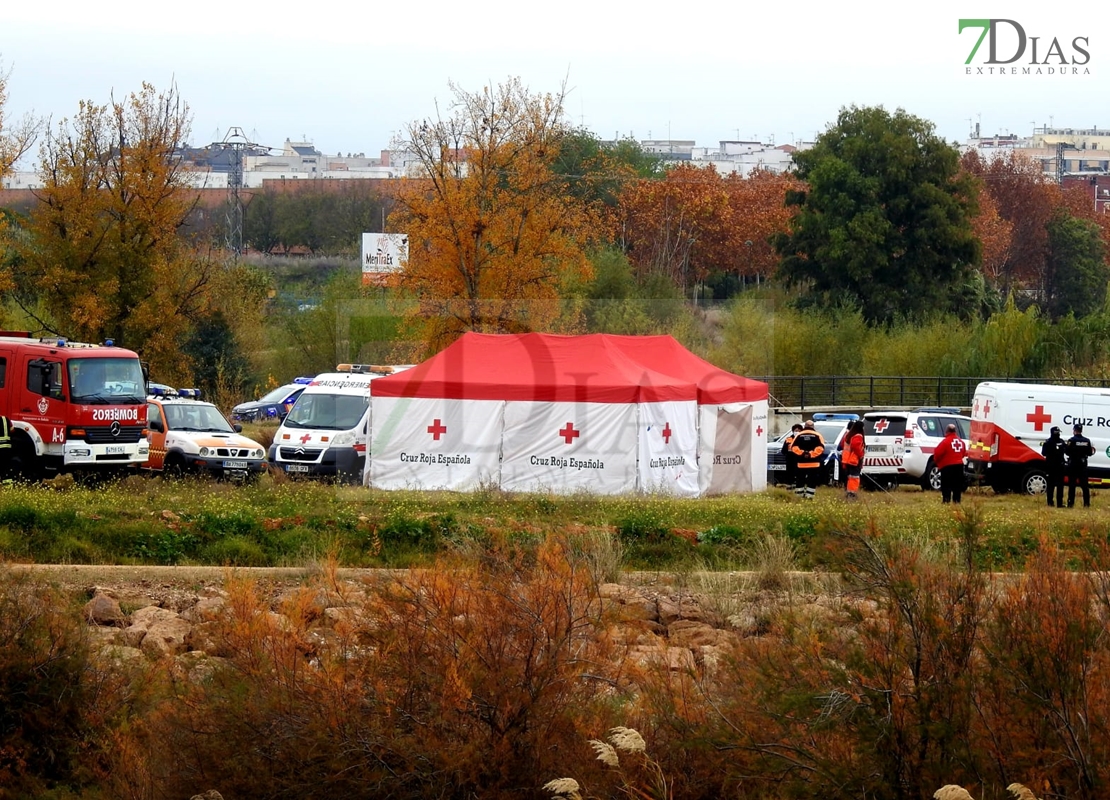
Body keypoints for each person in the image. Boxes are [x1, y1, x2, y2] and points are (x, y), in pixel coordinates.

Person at [931, 423, 968, 504]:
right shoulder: (961, 442)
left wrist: (937, 462)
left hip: (947, 467)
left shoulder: (945, 442)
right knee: (957, 486)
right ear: (955, 431)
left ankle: (946, 501)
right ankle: (957, 501)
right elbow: (964, 453)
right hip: (959, 466)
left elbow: (937, 454)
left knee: (946, 485)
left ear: (947, 431)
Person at [790, 420, 825, 500]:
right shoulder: (818, 435)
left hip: (801, 464)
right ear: (813, 427)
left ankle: (798, 497)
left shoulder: (798, 435)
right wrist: (811, 454)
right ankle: (809, 497)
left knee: (800, 480)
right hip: (814, 464)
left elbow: (793, 447)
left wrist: (802, 453)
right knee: (812, 481)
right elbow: (821, 448)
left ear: (804, 426)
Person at [1066, 423, 1095, 508]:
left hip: (1073, 465)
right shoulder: (1087, 441)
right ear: (1081, 430)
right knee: (1085, 486)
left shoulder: (1071, 440)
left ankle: (1070, 504)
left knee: (1072, 485)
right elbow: (1090, 453)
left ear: (1074, 430)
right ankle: (1086, 504)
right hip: (1082, 465)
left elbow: (1067, 452)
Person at [1041, 426, 1067, 508]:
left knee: (1051, 486)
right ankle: (1058, 503)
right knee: (1058, 486)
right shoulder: (1061, 442)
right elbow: (1066, 450)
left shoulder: (1048, 442)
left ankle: (1050, 503)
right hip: (1057, 466)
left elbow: (1044, 453)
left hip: (1052, 466)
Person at [840, 420, 865, 500]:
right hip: (854, 460)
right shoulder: (858, 436)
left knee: (849, 477)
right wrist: (861, 455)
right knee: (854, 478)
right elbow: (856, 447)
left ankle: (849, 492)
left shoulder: (848, 435)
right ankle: (852, 494)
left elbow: (843, 445)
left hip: (847, 460)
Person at [781, 423, 803, 489]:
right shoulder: (788, 439)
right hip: (790, 460)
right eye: (796, 430)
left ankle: (798, 487)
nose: (797, 432)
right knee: (789, 474)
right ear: (793, 431)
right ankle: (789, 487)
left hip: (799, 459)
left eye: (799, 430)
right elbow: (783, 450)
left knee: (799, 474)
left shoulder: (802, 439)